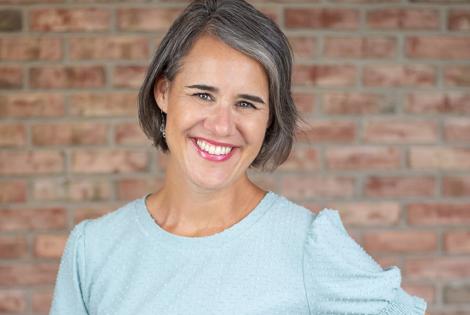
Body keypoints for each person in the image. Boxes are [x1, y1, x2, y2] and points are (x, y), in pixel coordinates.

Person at [49, 0, 428, 314]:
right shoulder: (94, 250)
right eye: (202, 94)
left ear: (270, 118)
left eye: (246, 103)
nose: (221, 125)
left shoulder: (309, 247)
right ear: (163, 93)